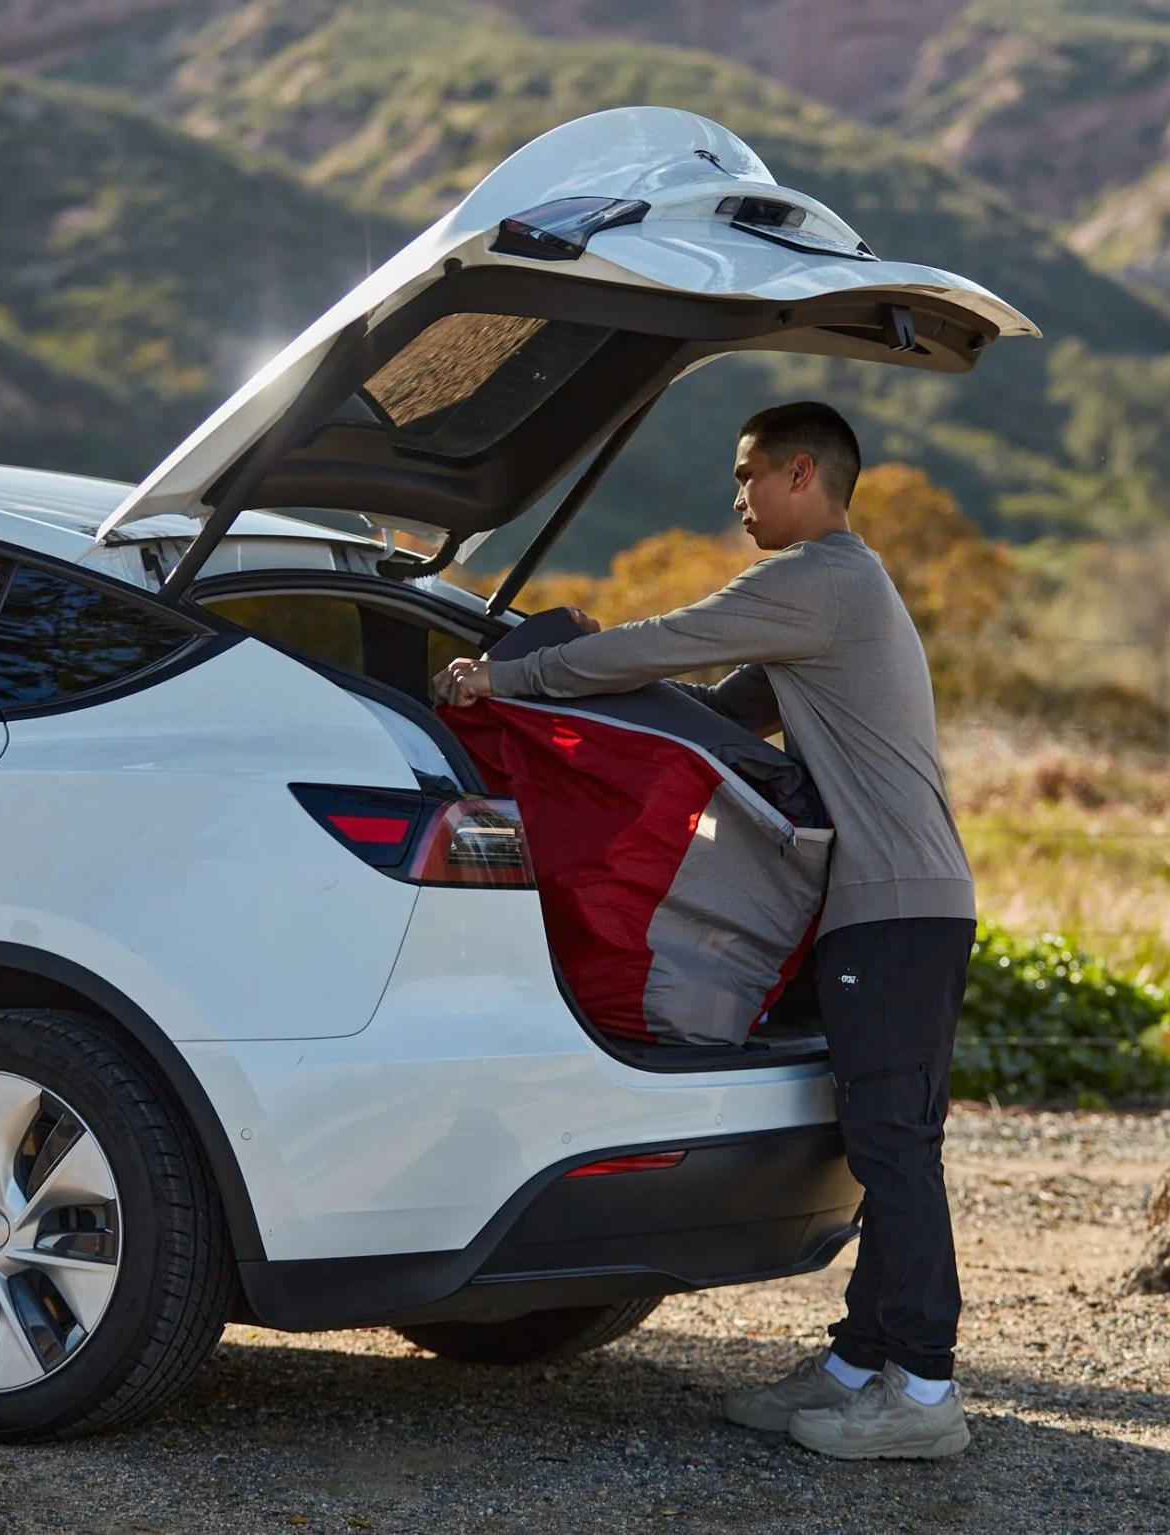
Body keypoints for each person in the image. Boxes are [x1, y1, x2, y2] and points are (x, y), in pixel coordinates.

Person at [433, 401, 976, 1461]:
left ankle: (923, 1392)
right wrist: (588, 671)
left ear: (802, 476)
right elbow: (714, 711)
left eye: (748, 477)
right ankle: (859, 1364)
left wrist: (513, 676)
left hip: (896, 903)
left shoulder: (818, 577)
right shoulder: (831, 600)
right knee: (877, 1140)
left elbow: (673, 639)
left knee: (897, 1149)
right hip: (883, 902)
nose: (735, 500)